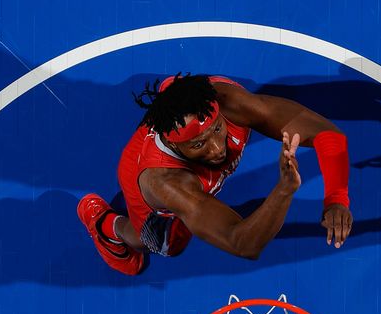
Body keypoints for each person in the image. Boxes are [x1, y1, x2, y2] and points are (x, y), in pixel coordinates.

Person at [77, 74, 353, 275]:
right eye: (199, 144)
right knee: (162, 243)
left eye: (218, 130)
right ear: (174, 144)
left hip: (183, 153)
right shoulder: (166, 183)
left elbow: (329, 135)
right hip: (144, 176)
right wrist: (284, 190)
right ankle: (106, 226)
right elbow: (242, 244)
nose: (218, 149)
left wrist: (336, 196)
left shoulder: (229, 102)